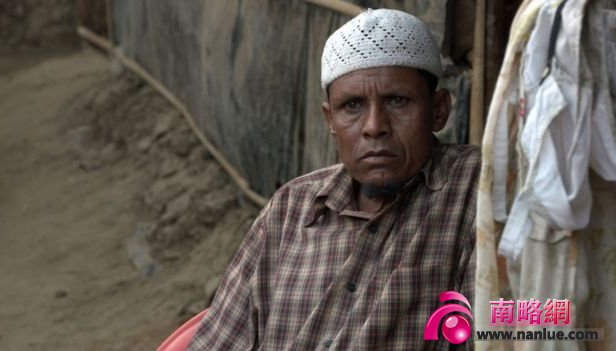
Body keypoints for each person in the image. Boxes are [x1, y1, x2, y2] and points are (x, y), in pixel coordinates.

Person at [187, 8, 479, 350]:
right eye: (352, 106)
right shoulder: (290, 209)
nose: (374, 126)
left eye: (397, 101)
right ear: (330, 120)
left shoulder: (476, 192)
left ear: (439, 110)